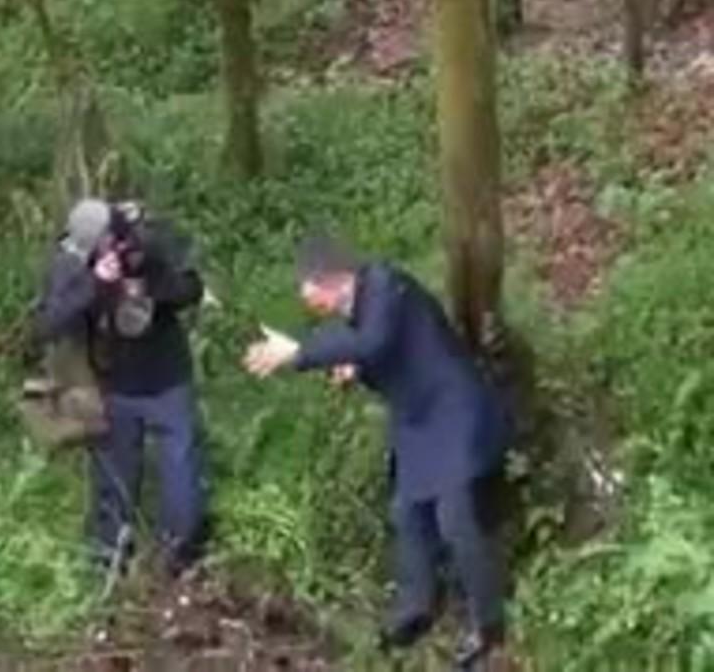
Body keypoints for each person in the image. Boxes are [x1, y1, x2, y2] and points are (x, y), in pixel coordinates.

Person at [242, 233, 511, 670]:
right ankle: (416, 607)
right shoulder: (355, 312)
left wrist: (299, 353)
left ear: (329, 278)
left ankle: (487, 624)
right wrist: (354, 369)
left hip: (453, 413)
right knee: (408, 512)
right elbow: (369, 350)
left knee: (455, 518)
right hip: (417, 424)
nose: (308, 301)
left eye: (309, 289)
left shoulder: (385, 284)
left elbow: (375, 342)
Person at [36, 197, 209, 578]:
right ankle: (107, 564)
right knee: (113, 481)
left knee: (182, 474)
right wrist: (97, 283)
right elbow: (48, 324)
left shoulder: (154, 242)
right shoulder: (74, 258)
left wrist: (149, 279)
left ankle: (178, 560)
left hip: (168, 380)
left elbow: (192, 289)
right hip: (114, 384)